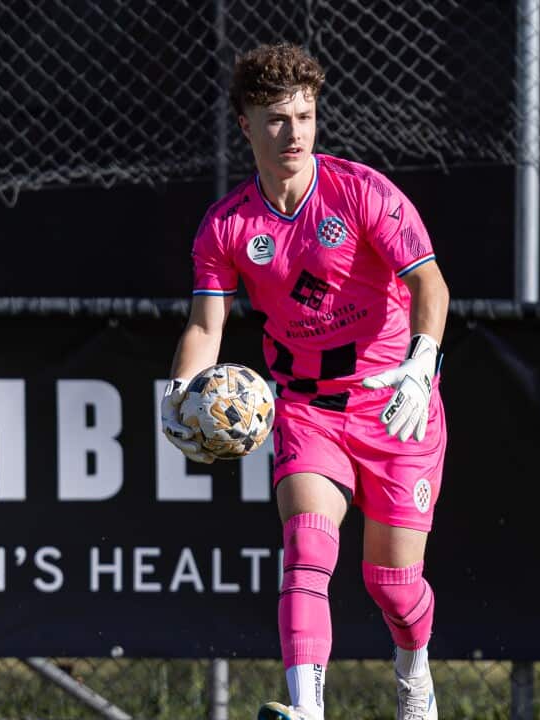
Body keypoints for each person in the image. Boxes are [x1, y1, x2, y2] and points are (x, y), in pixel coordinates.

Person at [159, 43, 449, 720]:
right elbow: (206, 329)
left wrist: (423, 361)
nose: (293, 133)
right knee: (307, 548)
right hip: (307, 412)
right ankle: (306, 710)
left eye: (305, 116)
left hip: (396, 408)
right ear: (245, 124)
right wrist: (174, 399)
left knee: (393, 585)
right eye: (276, 119)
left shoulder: (362, 191)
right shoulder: (228, 225)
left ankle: (414, 673)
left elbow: (429, 285)